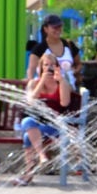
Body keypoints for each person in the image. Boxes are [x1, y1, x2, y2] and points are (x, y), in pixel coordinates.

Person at [16, 55, 77, 185]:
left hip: (55, 126)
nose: (49, 68)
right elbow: (30, 102)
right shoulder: (34, 83)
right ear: (41, 67)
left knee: (28, 135)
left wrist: (61, 81)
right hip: (37, 124)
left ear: (57, 67)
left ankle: (29, 173)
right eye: (46, 65)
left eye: (52, 65)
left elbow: (65, 103)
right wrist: (42, 81)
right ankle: (42, 155)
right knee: (27, 122)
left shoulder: (62, 83)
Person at [29, 14, 78, 81]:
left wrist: (73, 72)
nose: (58, 30)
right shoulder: (39, 49)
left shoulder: (69, 45)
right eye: (54, 27)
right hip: (47, 89)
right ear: (46, 29)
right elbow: (31, 71)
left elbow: (79, 64)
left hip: (69, 88)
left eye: (60, 26)